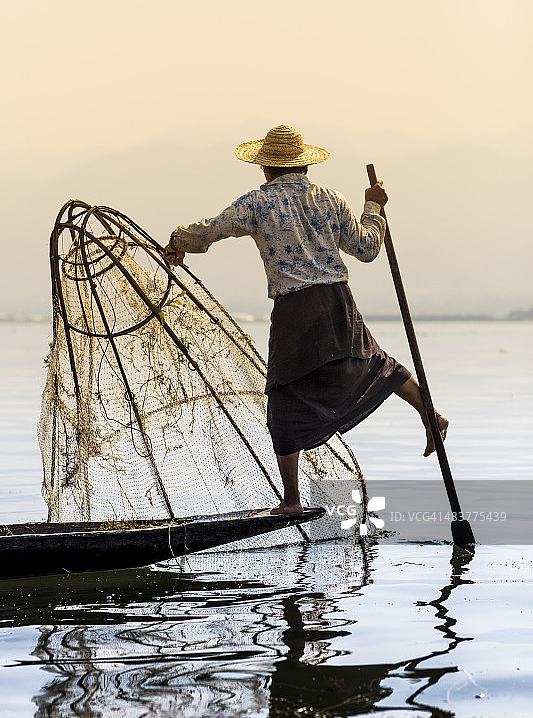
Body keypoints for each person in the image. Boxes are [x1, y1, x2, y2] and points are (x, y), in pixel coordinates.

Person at [164, 124, 448, 514]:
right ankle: (431, 416)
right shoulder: (330, 198)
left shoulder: (256, 204)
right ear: (303, 166)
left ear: (266, 168)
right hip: (336, 301)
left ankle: (292, 500)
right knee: (374, 364)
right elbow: (366, 249)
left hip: (296, 309)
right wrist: (374, 207)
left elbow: (209, 232)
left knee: (283, 395)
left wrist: (176, 242)